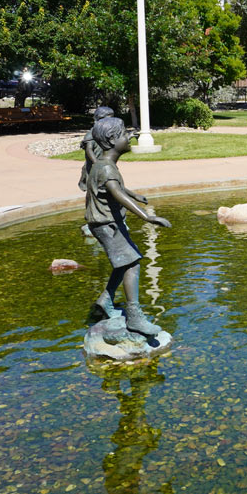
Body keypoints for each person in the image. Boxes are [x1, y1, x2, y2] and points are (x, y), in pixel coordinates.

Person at [84, 116, 171, 335]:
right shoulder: (106, 168)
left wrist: (134, 194)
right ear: (113, 140)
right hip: (107, 224)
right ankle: (134, 317)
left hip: (104, 222)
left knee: (124, 262)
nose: (129, 137)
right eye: (124, 134)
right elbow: (117, 195)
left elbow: (117, 189)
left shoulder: (104, 165)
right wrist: (147, 217)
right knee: (132, 262)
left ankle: (105, 300)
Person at [78, 106, 115, 192]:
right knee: (95, 188)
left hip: (105, 164)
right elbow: (89, 149)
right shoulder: (92, 133)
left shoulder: (107, 132)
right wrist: (96, 163)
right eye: (108, 119)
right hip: (94, 165)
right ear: (99, 119)